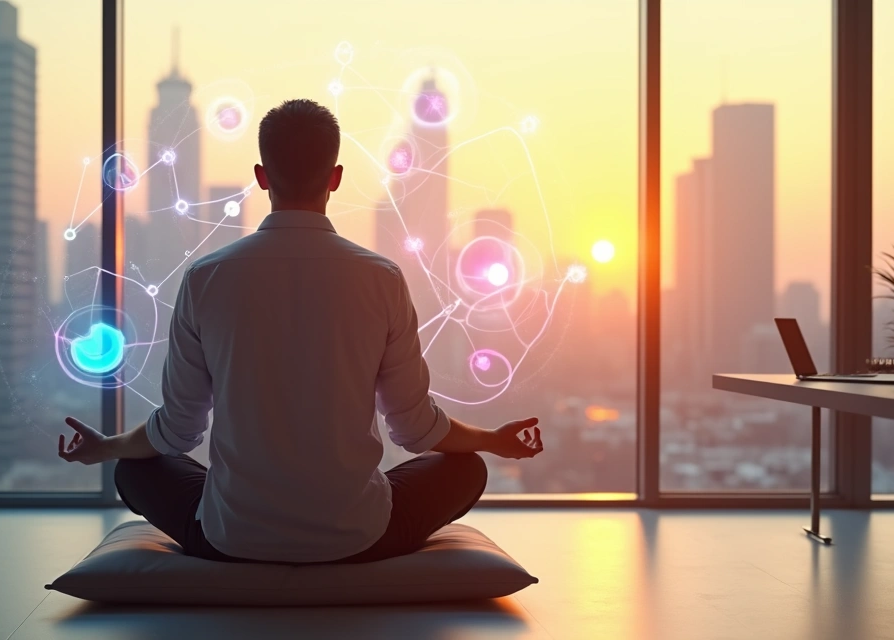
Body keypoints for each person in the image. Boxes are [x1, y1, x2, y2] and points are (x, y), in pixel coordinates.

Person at [57, 99, 543, 564]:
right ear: (335, 178)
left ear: (261, 177)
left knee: (135, 469)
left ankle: (237, 522)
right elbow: (416, 430)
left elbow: (177, 431)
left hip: (231, 538)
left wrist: (108, 446)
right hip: (359, 537)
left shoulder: (206, 277)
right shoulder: (383, 278)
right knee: (466, 467)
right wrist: (492, 439)